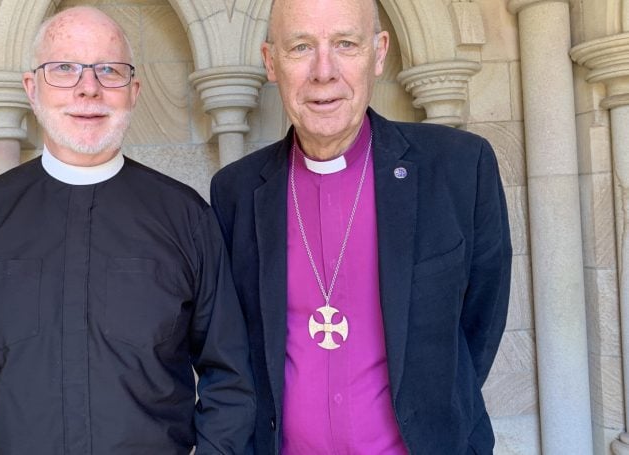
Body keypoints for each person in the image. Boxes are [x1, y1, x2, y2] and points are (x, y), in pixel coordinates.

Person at [0, 6, 255, 454]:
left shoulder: (186, 217)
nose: (88, 88)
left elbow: (229, 376)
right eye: (65, 69)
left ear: (133, 91)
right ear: (32, 89)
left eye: (108, 70)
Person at [209, 0, 512, 453]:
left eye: (345, 44)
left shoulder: (458, 167)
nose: (323, 71)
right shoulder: (234, 191)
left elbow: (480, 323)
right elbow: (236, 349)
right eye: (300, 47)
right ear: (271, 62)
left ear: (379, 52)